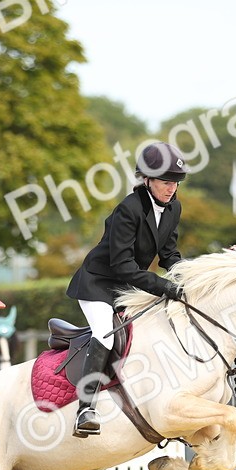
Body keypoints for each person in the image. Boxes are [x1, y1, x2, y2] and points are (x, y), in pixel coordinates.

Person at [65, 141, 189, 437]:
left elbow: (169, 255)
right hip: (98, 283)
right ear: (147, 179)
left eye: (175, 182)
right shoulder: (129, 210)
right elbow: (122, 265)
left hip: (127, 284)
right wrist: (162, 286)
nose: (171, 188)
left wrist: (187, 278)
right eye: (165, 181)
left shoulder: (174, 208)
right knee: (105, 335)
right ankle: (85, 409)